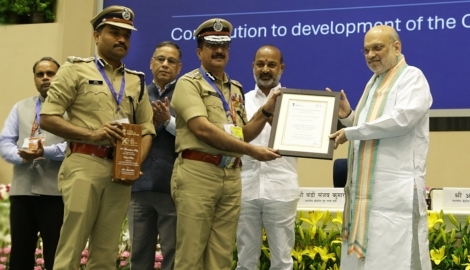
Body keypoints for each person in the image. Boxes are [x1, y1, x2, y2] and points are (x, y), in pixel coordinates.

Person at [39, 6, 155, 269]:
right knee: (72, 245)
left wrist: (135, 161)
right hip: (84, 164)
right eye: (114, 33)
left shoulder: (135, 80)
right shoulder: (74, 70)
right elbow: (48, 117)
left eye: (126, 35)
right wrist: (93, 134)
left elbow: (147, 128)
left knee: (106, 250)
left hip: (121, 172)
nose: (121, 39)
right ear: (96, 35)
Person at [170, 18, 282, 270]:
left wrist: (265, 112)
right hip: (198, 174)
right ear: (199, 51)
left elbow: (242, 134)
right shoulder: (188, 84)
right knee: (190, 256)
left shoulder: (235, 89)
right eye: (211, 44)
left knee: (221, 257)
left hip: (231, 176)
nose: (219, 50)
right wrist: (251, 151)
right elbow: (202, 129)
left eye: (224, 45)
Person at [328, 25, 432, 270]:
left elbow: (401, 120)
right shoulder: (374, 83)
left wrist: (351, 131)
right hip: (366, 198)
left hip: (394, 196)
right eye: (366, 50)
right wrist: (349, 117)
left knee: (391, 261)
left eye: (377, 47)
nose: (371, 54)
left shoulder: (412, 77)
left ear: (397, 47)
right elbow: (371, 130)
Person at [236, 45, 299, 270]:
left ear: (281, 68)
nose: (265, 69)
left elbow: (307, 141)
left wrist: (284, 127)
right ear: (253, 67)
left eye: (271, 65)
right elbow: (233, 139)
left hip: (281, 189)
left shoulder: (296, 102)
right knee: (245, 261)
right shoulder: (238, 102)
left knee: (282, 262)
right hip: (244, 188)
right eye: (260, 64)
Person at [0, 57, 65, 270]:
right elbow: (5, 142)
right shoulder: (21, 107)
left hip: (55, 192)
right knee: (20, 252)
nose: (45, 78)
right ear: (35, 79)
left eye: (50, 73)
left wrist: (44, 152)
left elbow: (73, 146)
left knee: (55, 254)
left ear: (60, 76)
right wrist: (22, 156)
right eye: (40, 74)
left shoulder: (71, 107)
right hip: (22, 192)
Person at [128, 41, 182, 270]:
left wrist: (168, 121)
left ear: (179, 68)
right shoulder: (136, 94)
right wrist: (151, 123)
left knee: (173, 252)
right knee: (139, 254)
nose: (165, 64)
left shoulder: (186, 94)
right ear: (151, 63)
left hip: (172, 185)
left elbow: (194, 134)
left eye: (171, 61)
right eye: (160, 59)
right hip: (138, 185)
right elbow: (127, 133)